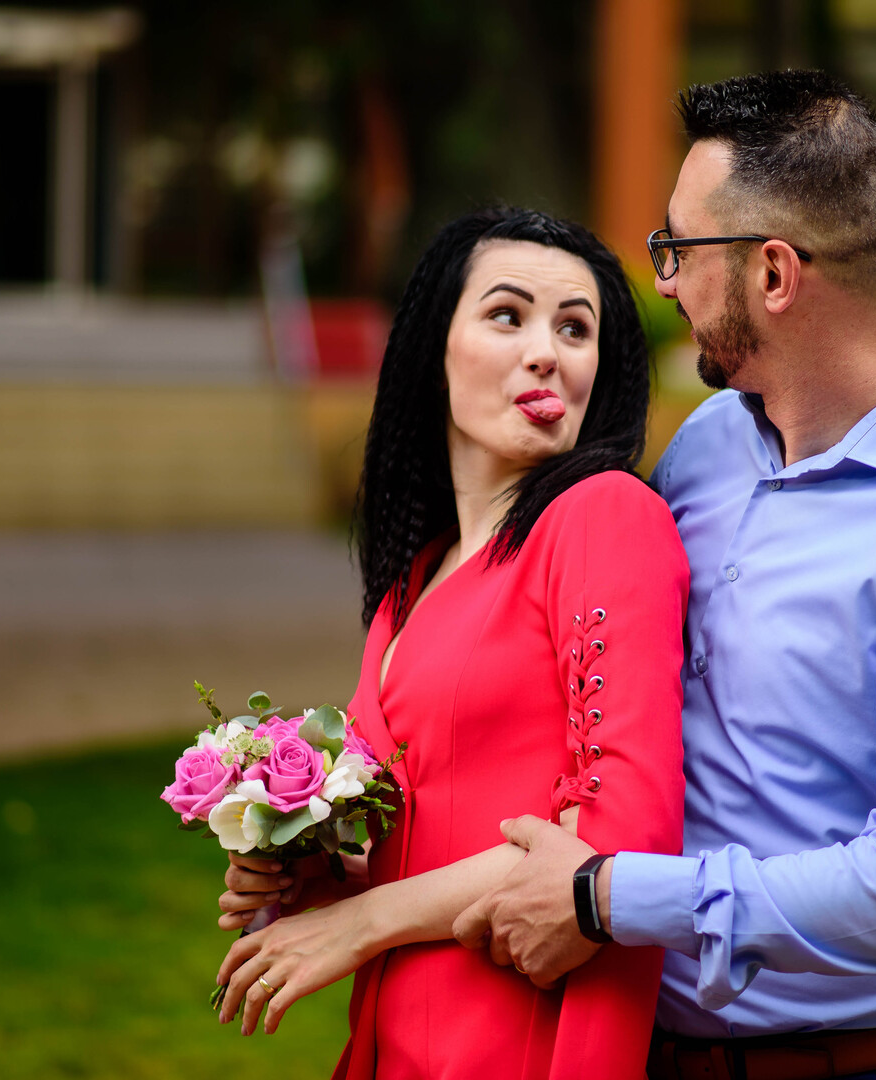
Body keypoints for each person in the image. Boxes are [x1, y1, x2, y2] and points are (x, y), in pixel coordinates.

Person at [453, 71, 876, 1080]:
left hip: (846, 1066)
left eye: (678, 251)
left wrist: (610, 898)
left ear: (773, 275)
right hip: (633, 1044)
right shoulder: (708, 445)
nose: (660, 282)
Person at [210, 206, 690, 1078]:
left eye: (575, 328)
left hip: (527, 1039)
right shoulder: (412, 581)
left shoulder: (603, 517)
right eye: (507, 315)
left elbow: (615, 839)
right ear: (435, 351)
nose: (546, 350)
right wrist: (306, 877)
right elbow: (425, 842)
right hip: (400, 1043)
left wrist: (359, 925)